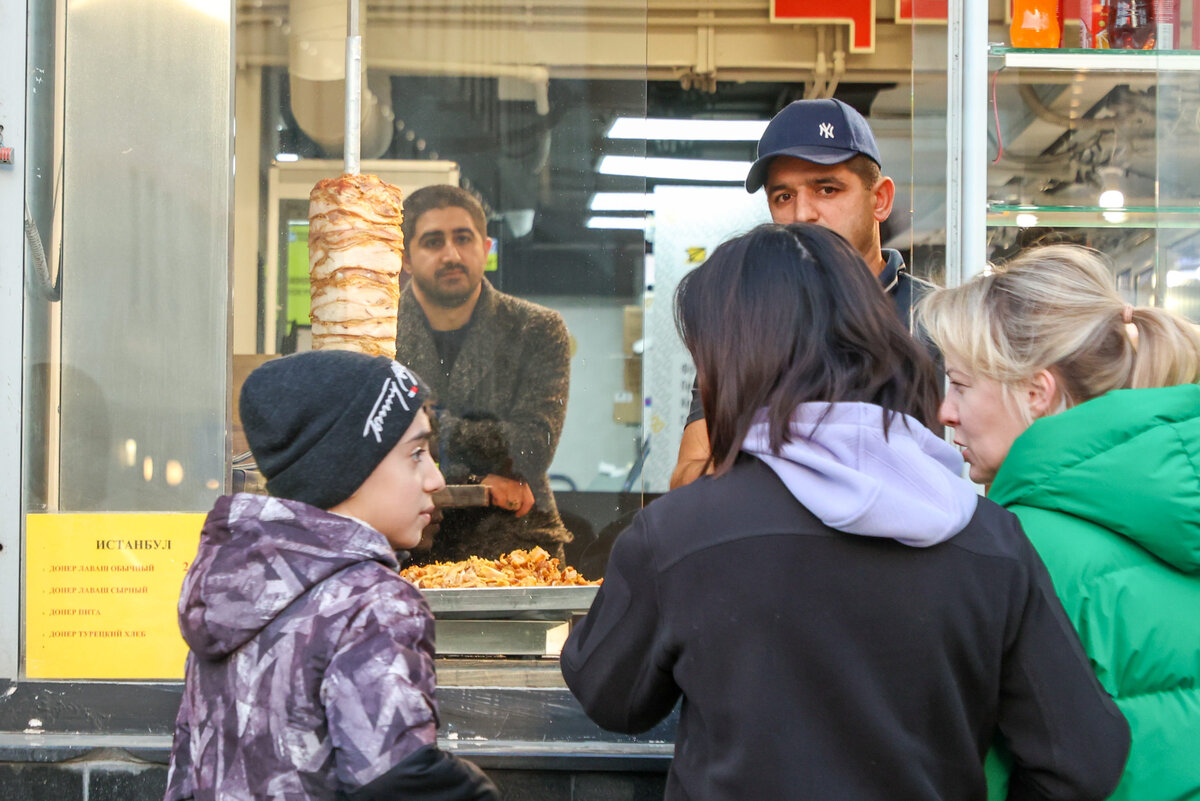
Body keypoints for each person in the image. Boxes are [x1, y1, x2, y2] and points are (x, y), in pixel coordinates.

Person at [561, 224, 1129, 801]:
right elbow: (1084, 759)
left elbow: (612, 697)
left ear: (729, 363)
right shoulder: (989, 537)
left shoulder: (679, 534)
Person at [919, 243, 1200, 801]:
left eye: (961, 384)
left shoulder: (1015, 549)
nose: (944, 411)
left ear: (1035, 392)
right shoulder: (1173, 503)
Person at [164, 350, 498, 801]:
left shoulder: (229, 583)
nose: (436, 479)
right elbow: (397, 781)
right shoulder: (371, 601)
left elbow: (189, 767)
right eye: (417, 453)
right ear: (348, 468)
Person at [671, 97, 934, 488]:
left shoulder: (935, 320)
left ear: (879, 200)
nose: (802, 215)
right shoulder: (750, 323)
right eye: (784, 197)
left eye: (827, 189)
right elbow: (689, 479)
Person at [395, 184, 571, 563]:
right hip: (404, 545)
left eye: (463, 239)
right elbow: (371, 455)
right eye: (432, 242)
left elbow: (531, 447)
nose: (451, 255)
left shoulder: (536, 329)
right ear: (405, 257)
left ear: (486, 248)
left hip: (515, 546)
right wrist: (478, 482)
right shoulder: (378, 333)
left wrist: (434, 428)